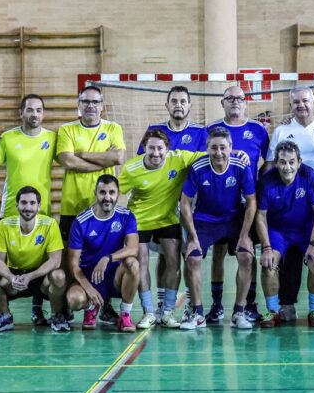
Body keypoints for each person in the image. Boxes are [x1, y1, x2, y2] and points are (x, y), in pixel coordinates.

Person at [263, 86, 314, 323]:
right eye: (296, 102)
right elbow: (268, 166)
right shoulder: (282, 131)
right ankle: (285, 305)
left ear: (313, 101)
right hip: (286, 205)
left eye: (305, 101)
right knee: (290, 262)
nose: (301, 105)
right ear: (290, 105)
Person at [119, 128, 204, 329]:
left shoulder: (180, 158)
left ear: (167, 148)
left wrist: (237, 153)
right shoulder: (131, 169)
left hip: (167, 218)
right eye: (151, 148)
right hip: (139, 220)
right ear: (144, 148)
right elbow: (114, 192)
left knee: (174, 262)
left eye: (160, 148)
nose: (156, 153)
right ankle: (149, 311)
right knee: (142, 261)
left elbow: (212, 152)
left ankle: (167, 312)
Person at [135, 85, 207, 320]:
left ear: (189, 106)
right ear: (167, 106)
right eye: (174, 101)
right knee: (164, 256)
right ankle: (161, 303)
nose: (178, 105)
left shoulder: (199, 133)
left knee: (185, 255)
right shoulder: (154, 131)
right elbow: (140, 165)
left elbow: (208, 160)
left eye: (183, 101)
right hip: (156, 205)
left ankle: (186, 303)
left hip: (186, 205)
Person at [57, 85, 126, 324]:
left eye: (95, 102)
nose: (90, 106)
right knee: (68, 258)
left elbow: (118, 158)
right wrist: (101, 161)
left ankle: (105, 305)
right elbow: (68, 161)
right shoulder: (66, 129)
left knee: (104, 255)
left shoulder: (113, 128)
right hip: (72, 206)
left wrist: (83, 154)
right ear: (78, 104)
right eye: (85, 102)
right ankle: (64, 307)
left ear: (102, 105)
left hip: (104, 208)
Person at [179, 127, 257, 330]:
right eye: (214, 148)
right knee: (193, 257)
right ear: (207, 148)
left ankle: (239, 312)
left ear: (231, 147)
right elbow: (185, 203)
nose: (219, 152)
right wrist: (192, 237)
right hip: (205, 219)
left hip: (233, 218)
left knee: (246, 256)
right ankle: (198, 314)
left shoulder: (241, 166)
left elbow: (251, 202)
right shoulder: (198, 168)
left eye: (223, 147)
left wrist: (245, 235)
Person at [205, 86, 269, 322]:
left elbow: (269, 162)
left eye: (239, 98)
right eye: (230, 98)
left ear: (246, 102)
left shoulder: (258, 130)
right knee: (218, 253)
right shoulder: (211, 129)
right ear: (222, 102)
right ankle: (216, 305)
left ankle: (248, 304)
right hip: (219, 201)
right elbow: (204, 158)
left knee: (247, 253)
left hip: (247, 203)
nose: (235, 102)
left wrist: (254, 180)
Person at [0, 93, 57, 325]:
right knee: (5, 263)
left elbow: (72, 159)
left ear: (43, 113)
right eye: (30, 110)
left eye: (39, 110)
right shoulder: (7, 138)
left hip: (42, 212)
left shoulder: (52, 138)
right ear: (21, 113)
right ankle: (3, 310)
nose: (34, 114)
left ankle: (38, 307)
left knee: (40, 263)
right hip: (12, 210)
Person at [256, 141, 314, 328]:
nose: (287, 167)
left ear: (299, 162)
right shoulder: (266, 181)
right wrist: (266, 248)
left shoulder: (309, 176)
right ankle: (272, 311)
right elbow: (261, 216)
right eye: (282, 162)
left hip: (305, 229)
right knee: (269, 263)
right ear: (276, 162)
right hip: (278, 229)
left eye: (291, 162)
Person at [0, 186, 68, 332]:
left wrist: (30, 276)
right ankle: (5, 316)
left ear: (39, 206)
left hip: (40, 277)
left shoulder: (50, 224)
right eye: (24, 203)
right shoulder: (4, 225)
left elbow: (55, 260)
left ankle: (56, 315)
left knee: (59, 276)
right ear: (17, 205)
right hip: (14, 278)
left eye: (32, 203)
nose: (28, 207)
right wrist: (11, 277)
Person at [65, 175, 140, 332]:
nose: (107, 197)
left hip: (114, 277)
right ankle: (91, 307)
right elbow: (73, 264)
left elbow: (133, 248)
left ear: (118, 194)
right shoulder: (81, 221)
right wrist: (88, 288)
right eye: (103, 192)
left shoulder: (126, 216)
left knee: (133, 263)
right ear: (95, 194)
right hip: (89, 276)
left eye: (111, 193)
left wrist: (108, 258)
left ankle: (125, 315)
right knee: (74, 299)